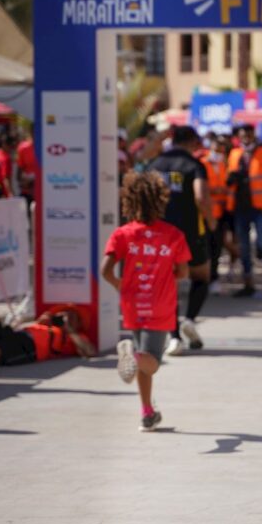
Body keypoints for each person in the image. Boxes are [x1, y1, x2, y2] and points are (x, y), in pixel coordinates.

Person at [102, 171, 192, 432]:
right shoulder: (173, 235)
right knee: (150, 360)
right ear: (160, 200)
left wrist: (122, 286)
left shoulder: (123, 234)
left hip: (132, 302)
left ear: (129, 200)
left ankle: (147, 412)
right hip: (160, 304)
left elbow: (105, 270)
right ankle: (132, 355)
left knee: (142, 361)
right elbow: (184, 272)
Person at [149, 126, 213, 356]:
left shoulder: (154, 165)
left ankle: (174, 337)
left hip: (161, 233)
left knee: (169, 285)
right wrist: (212, 221)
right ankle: (190, 318)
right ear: (191, 141)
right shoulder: (194, 165)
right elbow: (200, 197)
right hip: (190, 232)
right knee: (201, 276)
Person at [227, 125, 262, 298]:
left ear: (253, 135)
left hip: (260, 207)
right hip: (240, 207)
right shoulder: (234, 154)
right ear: (239, 136)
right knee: (244, 247)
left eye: (249, 134)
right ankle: (248, 284)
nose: (246, 137)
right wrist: (230, 179)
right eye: (243, 135)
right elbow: (228, 177)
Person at [202, 136, 237, 292]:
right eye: (217, 148)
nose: (219, 152)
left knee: (217, 247)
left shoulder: (225, 165)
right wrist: (212, 190)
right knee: (206, 247)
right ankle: (205, 277)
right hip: (206, 212)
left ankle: (213, 278)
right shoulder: (202, 164)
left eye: (222, 149)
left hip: (222, 213)